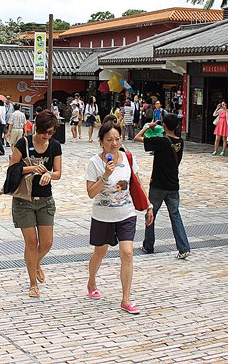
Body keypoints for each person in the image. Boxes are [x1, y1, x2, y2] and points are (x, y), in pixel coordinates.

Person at [85, 121, 154, 313]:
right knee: (100, 252)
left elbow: (137, 184)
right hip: (103, 215)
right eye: (109, 140)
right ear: (101, 142)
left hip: (126, 213)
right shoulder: (94, 163)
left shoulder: (128, 158)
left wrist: (148, 205)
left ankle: (125, 299)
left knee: (127, 252)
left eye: (117, 139)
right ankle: (91, 282)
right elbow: (91, 193)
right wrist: (106, 175)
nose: (114, 143)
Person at [8, 110, 62, 298]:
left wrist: (49, 174)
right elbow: (12, 168)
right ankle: (32, 283)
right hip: (24, 201)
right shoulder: (23, 143)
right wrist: (33, 168)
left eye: (50, 132)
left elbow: (57, 172)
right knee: (31, 242)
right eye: (44, 132)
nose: (47, 136)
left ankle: (35, 263)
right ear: (36, 128)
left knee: (47, 242)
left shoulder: (55, 146)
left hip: (45, 200)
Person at [135, 114, 191, 259]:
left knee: (151, 213)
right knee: (175, 216)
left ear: (164, 125)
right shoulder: (180, 142)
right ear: (177, 126)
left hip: (158, 184)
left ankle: (148, 245)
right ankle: (183, 247)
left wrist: (148, 126)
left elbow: (137, 138)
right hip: (173, 185)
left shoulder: (161, 141)